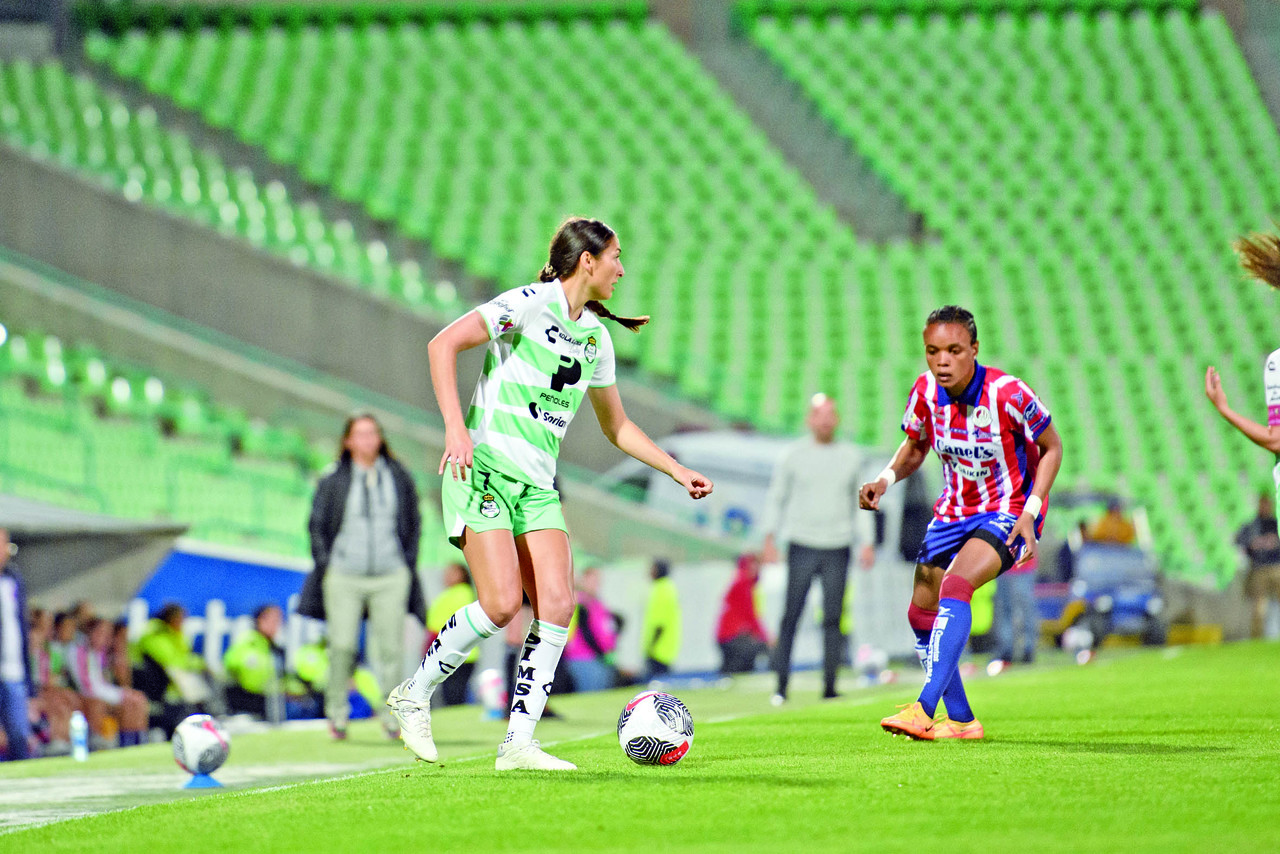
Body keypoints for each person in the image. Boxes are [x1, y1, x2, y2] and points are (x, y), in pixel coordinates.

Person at [386, 217, 713, 771]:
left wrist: (676, 470)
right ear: (588, 260)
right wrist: (455, 429)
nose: (621, 269)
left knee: (559, 605)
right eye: (615, 257)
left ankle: (518, 744)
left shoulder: (597, 339)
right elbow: (443, 345)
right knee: (500, 604)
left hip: (538, 486)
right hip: (484, 469)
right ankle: (414, 695)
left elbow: (617, 427)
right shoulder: (528, 304)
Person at [860, 305, 1063, 740]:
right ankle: (963, 721)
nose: (942, 361)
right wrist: (885, 479)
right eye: (933, 351)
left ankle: (923, 709)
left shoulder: (1008, 393)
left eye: (953, 350)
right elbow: (916, 445)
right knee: (921, 611)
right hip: (953, 511)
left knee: (956, 585)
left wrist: (1031, 510)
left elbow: (1052, 447)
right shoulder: (925, 392)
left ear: (974, 349)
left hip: (1008, 510)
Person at [298, 412, 426, 741]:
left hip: (390, 574)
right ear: (348, 441)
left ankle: (392, 717)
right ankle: (337, 713)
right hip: (344, 575)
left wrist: (407, 563)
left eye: (373, 433)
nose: (368, 440)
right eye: (361, 434)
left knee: (390, 650)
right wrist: (327, 564)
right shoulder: (333, 478)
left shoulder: (398, 475)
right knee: (341, 647)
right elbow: (316, 524)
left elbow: (414, 521)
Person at [761, 393, 875, 702]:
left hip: (838, 544)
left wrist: (866, 542)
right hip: (802, 543)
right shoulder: (793, 455)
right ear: (810, 420)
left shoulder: (851, 457)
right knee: (791, 615)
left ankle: (829, 686)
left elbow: (862, 502)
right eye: (819, 415)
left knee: (833, 618)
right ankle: (780, 686)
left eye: (830, 415)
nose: (825, 421)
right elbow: (776, 497)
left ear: (836, 419)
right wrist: (769, 537)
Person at [224, 604, 316, 719]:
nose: (276, 625)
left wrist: (296, 691)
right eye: (272, 620)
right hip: (249, 705)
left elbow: (283, 679)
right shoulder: (246, 645)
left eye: (278, 620)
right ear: (260, 620)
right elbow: (251, 682)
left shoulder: (276, 649)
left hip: (273, 704)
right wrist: (281, 690)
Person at [132, 602, 208, 737]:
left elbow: (185, 656)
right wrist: (198, 664)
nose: (182, 622)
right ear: (171, 619)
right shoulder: (154, 636)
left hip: (176, 687)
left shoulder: (176, 635)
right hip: (162, 688)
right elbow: (173, 662)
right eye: (180, 618)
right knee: (183, 676)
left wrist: (200, 664)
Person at [71, 617, 148, 747]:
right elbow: (87, 686)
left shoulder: (97, 654)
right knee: (131, 700)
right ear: (90, 632)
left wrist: (122, 693)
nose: (105, 638)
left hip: (101, 691)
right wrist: (120, 695)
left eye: (107, 634)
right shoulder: (78, 651)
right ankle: (127, 742)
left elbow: (105, 682)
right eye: (101, 633)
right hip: (88, 694)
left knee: (137, 699)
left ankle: (137, 740)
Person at [0, 529, 34, 760]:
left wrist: (30, 681)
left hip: (14, 670)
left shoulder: (13, 578)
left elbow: (21, 625)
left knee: (19, 734)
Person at [426, 564, 480, 706]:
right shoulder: (450, 593)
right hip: (451, 651)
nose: (447, 576)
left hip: (459, 652)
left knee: (454, 692)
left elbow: (456, 621)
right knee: (450, 691)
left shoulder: (462, 593)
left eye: (452, 573)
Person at [563, 567, 623, 693]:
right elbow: (586, 631)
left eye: (598, 581)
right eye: (592, 580)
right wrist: (601, 653)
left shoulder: (597, 603)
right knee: (589, 694)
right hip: (583, 657)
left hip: (599, 658)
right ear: (583, 581)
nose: (596, 584)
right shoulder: (579, 601)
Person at [1234, 492, 1280, 639]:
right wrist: (1251, 547)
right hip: (1259, 568)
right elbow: (1238, 540)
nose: (1265, 507)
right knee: (1259, 607)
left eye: (1267, 504)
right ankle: (1257, 638)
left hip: (1276, 567)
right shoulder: (1252, 525)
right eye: (1262, 504)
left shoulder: (1275, 524)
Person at [716, 553, 770, 675]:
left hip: (729, 635)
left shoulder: (741, 582)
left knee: (731, 668)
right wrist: (765, 637)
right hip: (732, 636)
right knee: (758, 650)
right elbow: (750, 615)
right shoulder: (743, 583)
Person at [990, 553, 1039, 667]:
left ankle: (1027, 649)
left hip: (1023, 566)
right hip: (1003, 567)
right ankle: (1006, 650)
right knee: (1006, 610)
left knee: (1024, 610)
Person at [641, 559, 681, 682]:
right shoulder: (668, 587)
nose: (650, 572)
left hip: (659, 649)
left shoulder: (661, 590)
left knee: (656, 683)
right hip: (665, 648)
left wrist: (651, 647)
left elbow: (660, 623)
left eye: (653, 568)